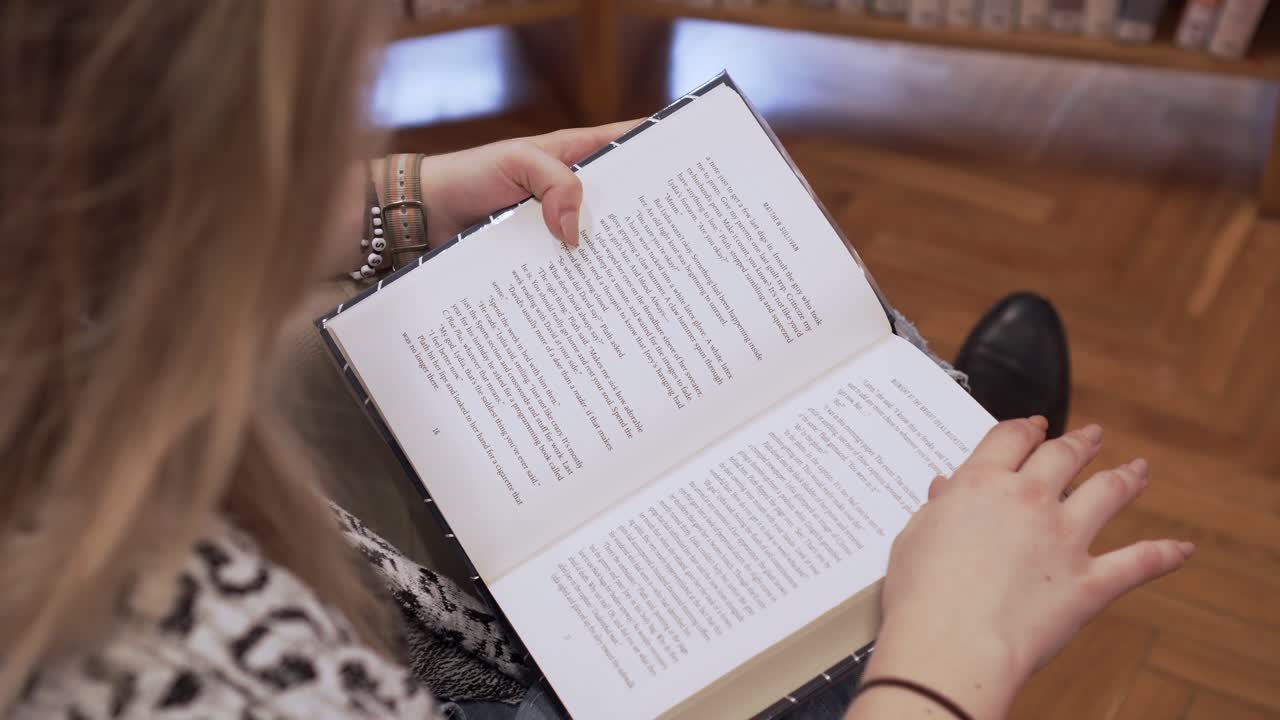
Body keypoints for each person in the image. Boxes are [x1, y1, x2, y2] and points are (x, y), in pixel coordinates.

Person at [0, 2, 1193, 718]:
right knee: (908, 571)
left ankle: (947, 451)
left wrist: (394, 208)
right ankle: (950, 473)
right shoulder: (186, 671)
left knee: (875, 401)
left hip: (329, 553)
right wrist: (940, 668)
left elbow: (84, 240)